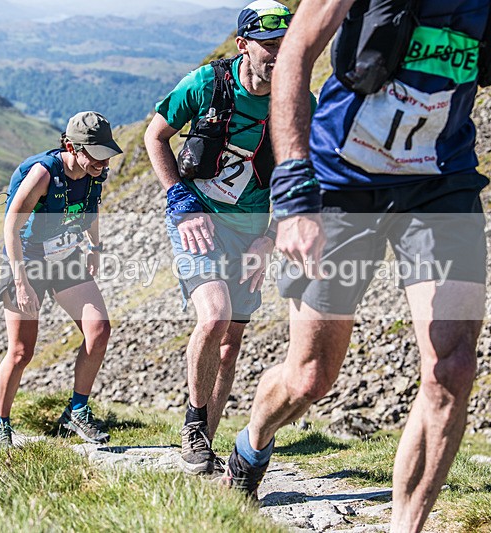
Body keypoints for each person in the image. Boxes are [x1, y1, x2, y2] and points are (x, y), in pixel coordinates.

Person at [223, 0, 491, 530]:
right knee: (309, 377)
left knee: (452, 368)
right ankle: (251, 445)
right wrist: (294, 196)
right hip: (339, 180)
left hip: (440, 185)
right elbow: (296, 53)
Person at [145, 0, 316, 476]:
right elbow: (154, 136)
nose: (280, 55)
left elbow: (305, 175)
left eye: (287, 44)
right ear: (243, 46)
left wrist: (272, 238)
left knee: (231, 342)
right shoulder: (205, 84)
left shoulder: (302, 100)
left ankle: (207, 449)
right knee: (215, 316)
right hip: (197, 220)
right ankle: (194, 428)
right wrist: (179, 201)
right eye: (269, 46)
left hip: (252, 232)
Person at [0, 111, 122, 448]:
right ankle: (0, 424)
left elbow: (90, 209)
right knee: (21, 351)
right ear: (72, 147)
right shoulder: (42, 175)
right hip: (28, 261)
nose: (102, 162)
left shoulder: (95, 173)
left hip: (66, 258)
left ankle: (77, 411)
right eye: (95, 154)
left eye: (105, 153)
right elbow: (11, 225)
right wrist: (20, 280)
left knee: (99, 329)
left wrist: (95, 247)